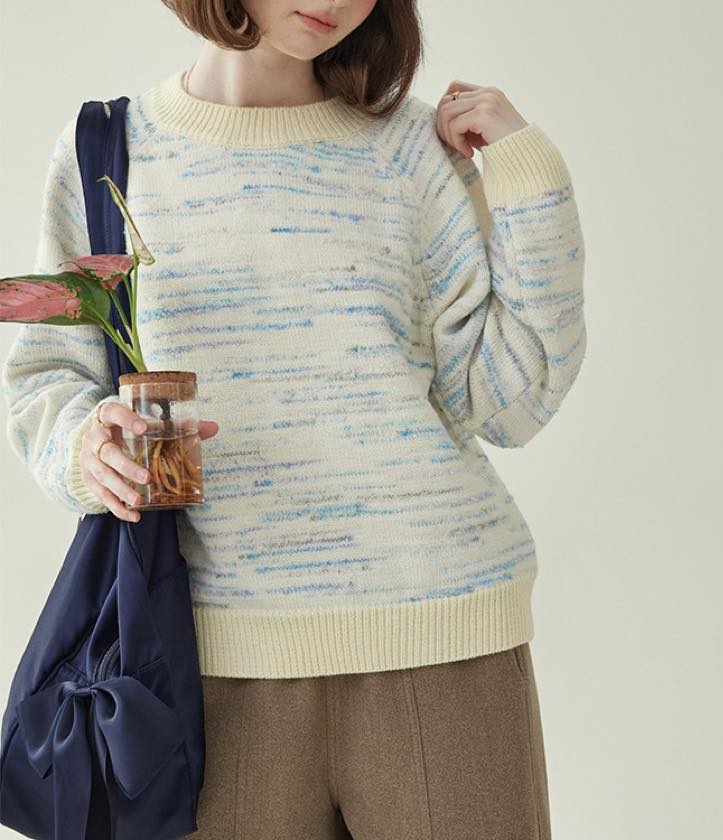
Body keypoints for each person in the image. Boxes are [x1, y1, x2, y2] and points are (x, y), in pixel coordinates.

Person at [1, 0, 587, 836]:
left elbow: (511, 404)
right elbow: (46, 374)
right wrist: (86, 447)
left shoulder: (412, 153)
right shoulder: (105, 155)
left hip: (443, 646)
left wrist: (530, 181)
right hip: (200, 672)